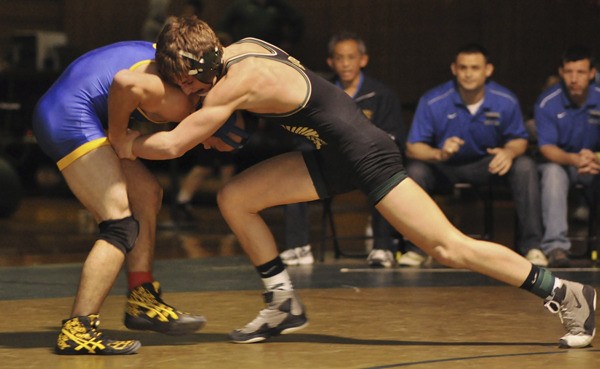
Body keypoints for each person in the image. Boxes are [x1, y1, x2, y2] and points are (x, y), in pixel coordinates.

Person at [119, 16, 596, 348]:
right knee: (235, 197)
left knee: (450, 247)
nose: (185, 93)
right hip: (332, 153)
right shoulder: (235, 51)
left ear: (201, 68)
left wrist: (120, 142)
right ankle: (283, 302)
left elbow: (174, 145)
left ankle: (564, 292)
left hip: (367, 154)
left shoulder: (234, 83)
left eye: (185, 84)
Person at [32, 41, 211, 355]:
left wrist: (119, 135)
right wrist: (117, 137)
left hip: (72, 107)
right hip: (70, 116)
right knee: (119, 224)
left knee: (147, 193)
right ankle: (79, 328)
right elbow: (123, 83)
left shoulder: (175, 60)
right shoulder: (178, 97)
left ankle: (141, 297)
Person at [402, 43, 545, 267]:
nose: (468, 73)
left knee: (525, 166)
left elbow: (520, 140)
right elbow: (412, 147)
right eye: (463, 67)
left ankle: (533, 246)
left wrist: (508, 151)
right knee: (415, 171)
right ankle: (417, 248)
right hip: (445, 167)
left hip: (487, 166)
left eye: (475, 68)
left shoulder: (505, 100)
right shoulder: (433, 100)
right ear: (454, 69)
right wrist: (439, 153)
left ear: (488, 70)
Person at [323, 31, 404, 268]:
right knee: (290, 173)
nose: (346, 63)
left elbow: (394, 136)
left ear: (363, 60)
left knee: (385, 178)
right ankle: (298, 247)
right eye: (339, 58)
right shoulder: (323, 92)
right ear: (331, 62)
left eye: (351, 57)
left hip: (370, 165)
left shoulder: (382, 95)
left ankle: (382, 247)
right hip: (332, 164)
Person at [534, 45, 600, 268]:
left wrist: (596, 159)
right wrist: (575, 159)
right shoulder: (547, 102)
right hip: (561, 164)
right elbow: (547, 149)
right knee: (552, 174)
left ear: (592, 73)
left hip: (595, 164)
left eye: (580, 72)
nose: (574, 78)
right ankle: (556, 247)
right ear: (561, 72)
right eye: (569, 72)